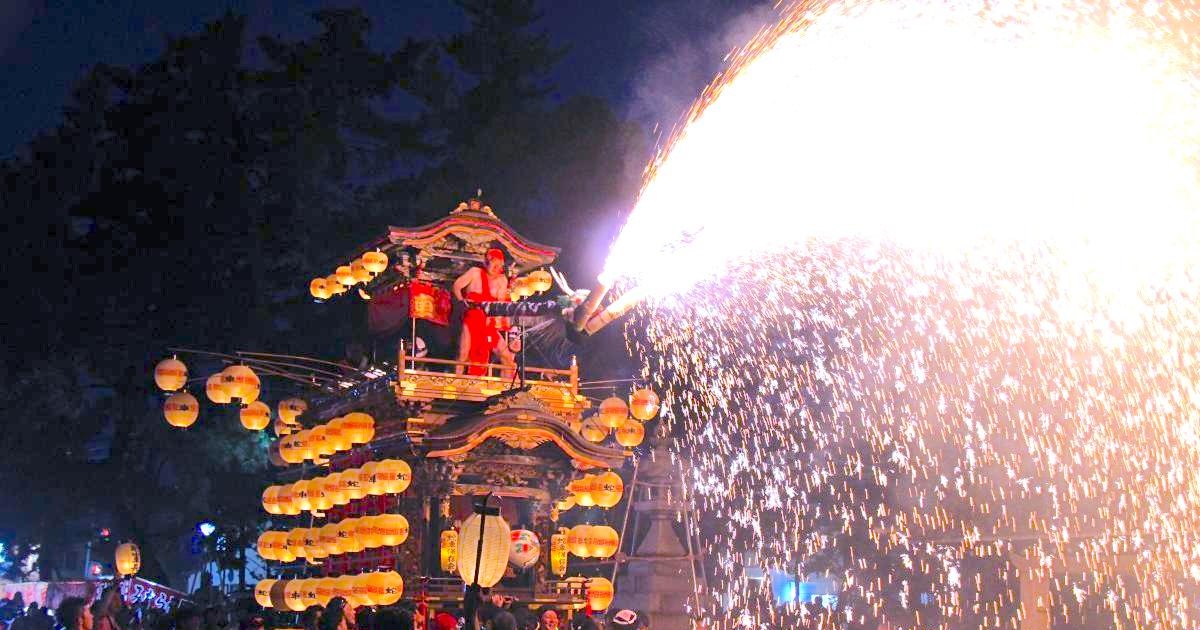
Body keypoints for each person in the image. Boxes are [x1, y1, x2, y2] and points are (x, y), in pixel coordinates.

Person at [452, 248, 514, 376]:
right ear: (487, 262)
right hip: (472, 318)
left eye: (499, 265)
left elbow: (500, 302)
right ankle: (456, 383)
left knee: (507, 356)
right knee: (463, 353)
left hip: (488, 322)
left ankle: (506, 386)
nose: (496, 268)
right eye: (494, 264)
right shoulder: (475, 272)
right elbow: (457, 285)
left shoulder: (502, 280)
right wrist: (461, 300)